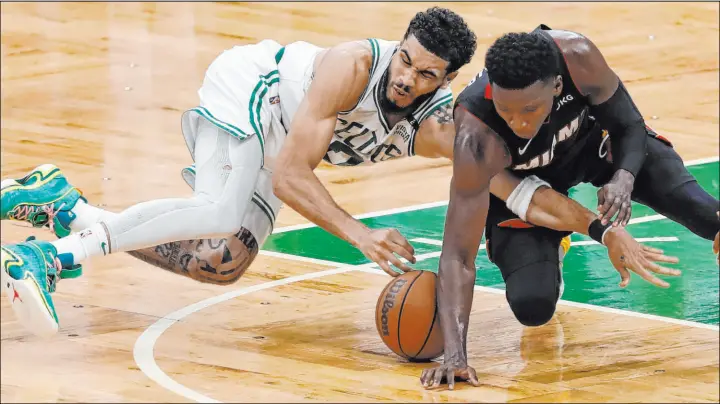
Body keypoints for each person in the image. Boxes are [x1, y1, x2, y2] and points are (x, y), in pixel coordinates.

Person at [0, 7, 478, 338]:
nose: (405, 77)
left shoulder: (435, 124)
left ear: (446, 80)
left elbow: (490, 168)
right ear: (397, 47)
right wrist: (360, 234)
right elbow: (290, 177)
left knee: (219, 263)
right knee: (220, 209)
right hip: (254, 87)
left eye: (425, 74)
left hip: (281, 138)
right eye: (405, 59)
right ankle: (48, 258)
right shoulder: (352, 66)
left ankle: (64, 205)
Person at [420, 25, 720, 389]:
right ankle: (555, 239)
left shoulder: (577, 58)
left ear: (557, 87)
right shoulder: (474, 135)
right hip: (524, 188)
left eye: (530, 109)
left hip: (594, 148)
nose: (519, 123)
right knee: (533, 306)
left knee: (705, 212)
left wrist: (624, 177)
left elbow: (629, 124)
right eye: (506, 110)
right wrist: (455, 357)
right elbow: (456, 255)